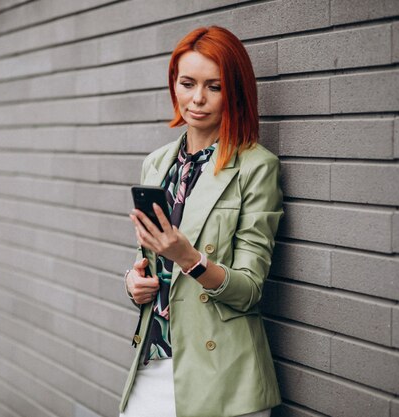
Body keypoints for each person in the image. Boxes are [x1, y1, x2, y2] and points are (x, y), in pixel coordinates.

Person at [119, 26, 284, 417]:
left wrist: (189, 258)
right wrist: (135, 283)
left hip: (221, 374)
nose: (197, 99)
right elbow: (152, 262)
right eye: (187, 83)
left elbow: (249, 290)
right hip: (156, 359)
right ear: (173, 84)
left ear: (235, 92)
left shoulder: (256, 167)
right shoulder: (157, 164)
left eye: (214, 86)